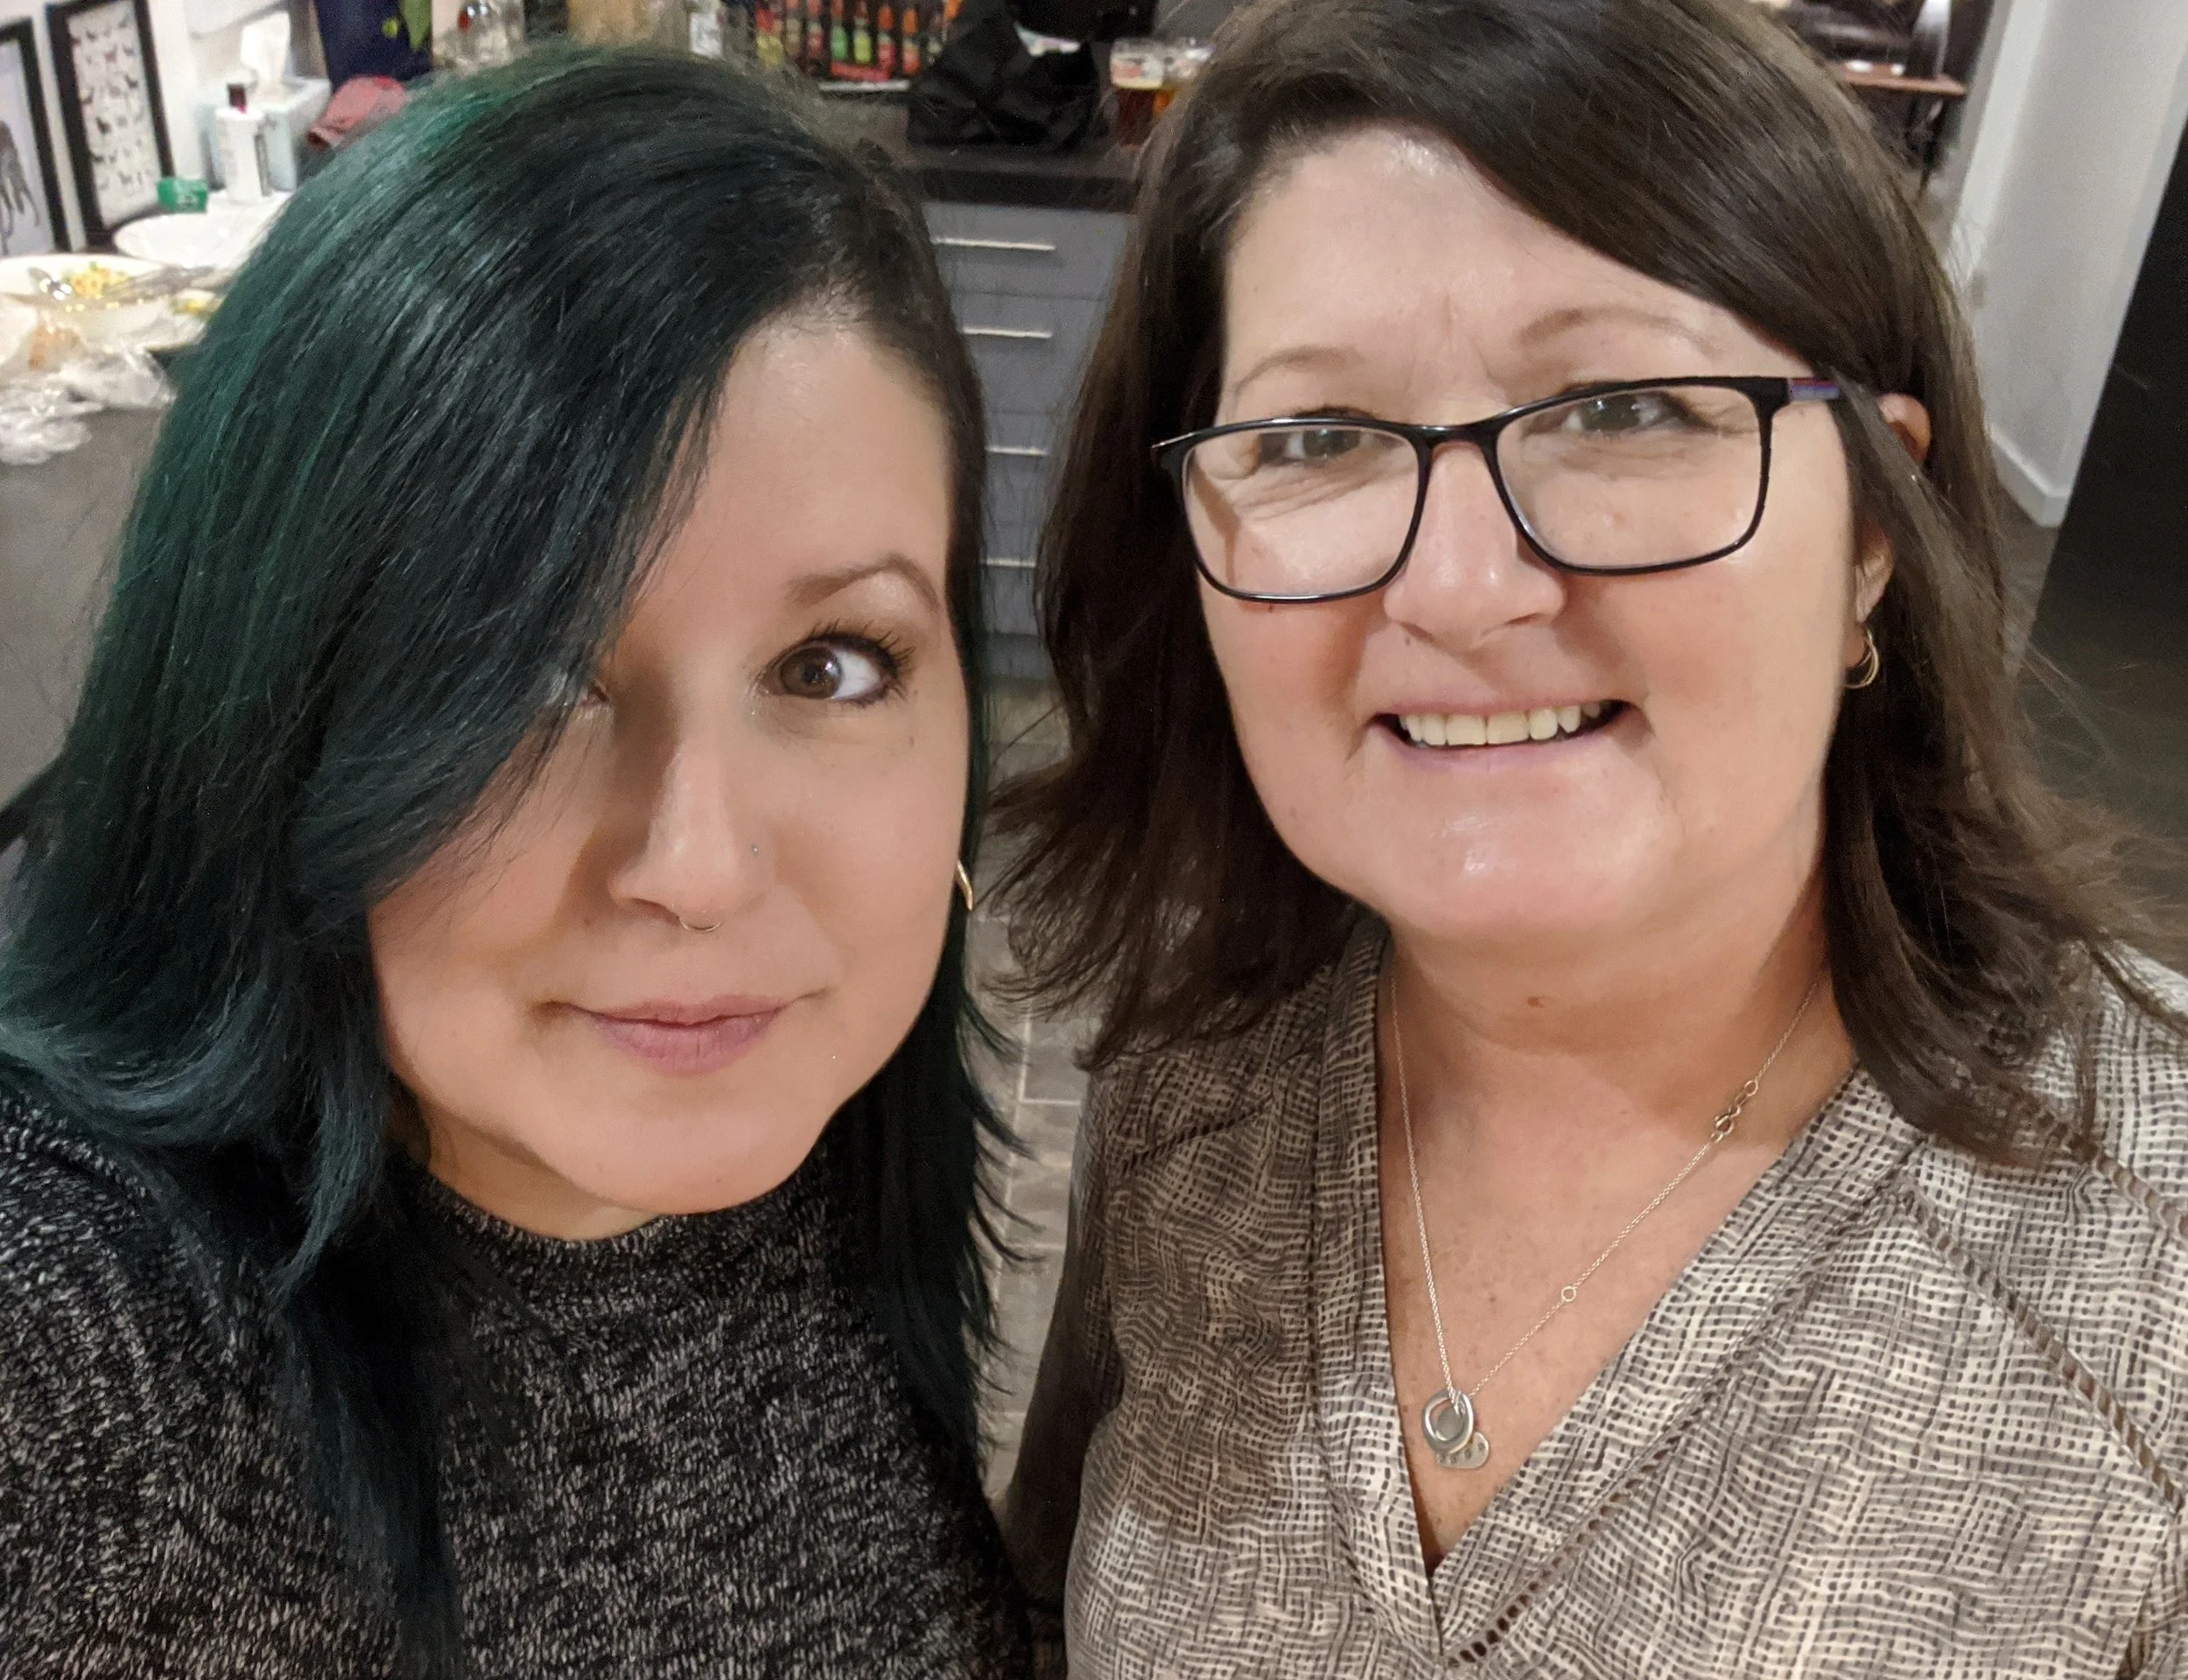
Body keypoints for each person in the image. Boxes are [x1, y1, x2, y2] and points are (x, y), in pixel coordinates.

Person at [994, 0, 2188, 1673]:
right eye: (1317, 439)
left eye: (1625, 410)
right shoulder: (1202, 1076)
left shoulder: (2150, 1276)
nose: (1466, 590)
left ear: (1872, 535)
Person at [0, 49, 1029, 1678]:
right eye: (533, 681)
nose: (697, 866)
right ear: (272, 712)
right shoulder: (76, 1345)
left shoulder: (824, 1154)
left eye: (832, 664)